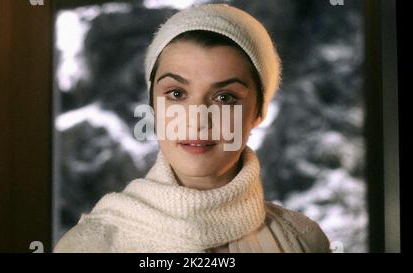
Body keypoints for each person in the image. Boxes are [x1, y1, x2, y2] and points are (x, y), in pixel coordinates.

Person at [54, 3, 331, 253]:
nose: (197, 120)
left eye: (225, 98)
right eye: (176, 94)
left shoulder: (302, 242)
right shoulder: (88, 246)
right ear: (153, 106)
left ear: (258, 113)